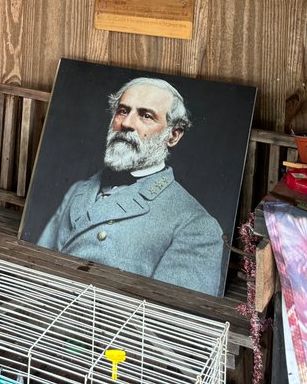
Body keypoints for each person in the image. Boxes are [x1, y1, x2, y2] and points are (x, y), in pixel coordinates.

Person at [36, 77, 227, 296]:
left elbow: (169, 323)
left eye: (146, 116)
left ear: (173, 135)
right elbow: (37, 265)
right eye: (123, 111)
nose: (126, 123)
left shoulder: (197, 226)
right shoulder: (78, 190)